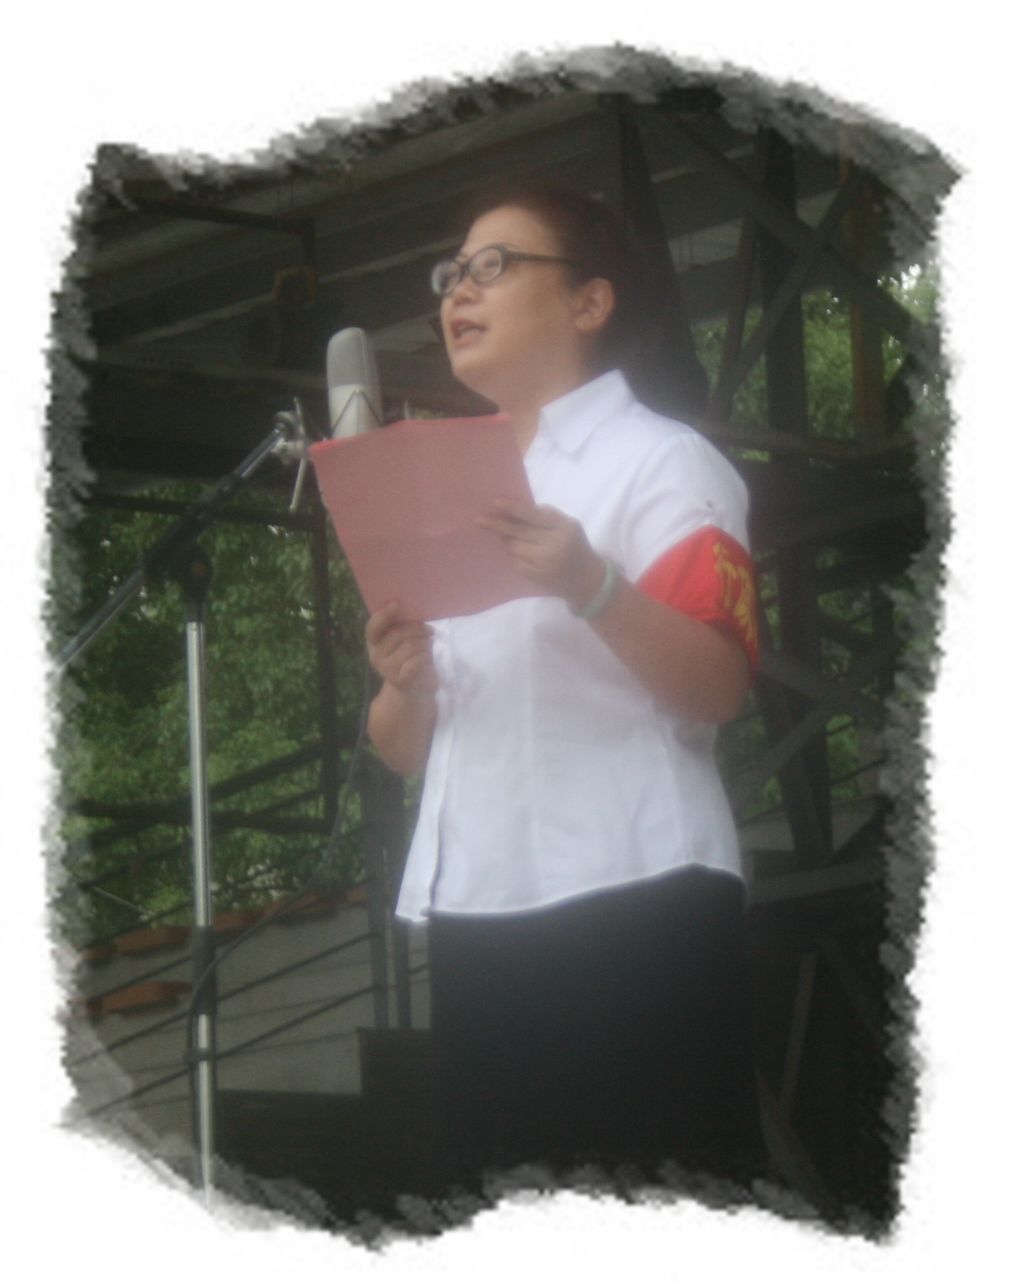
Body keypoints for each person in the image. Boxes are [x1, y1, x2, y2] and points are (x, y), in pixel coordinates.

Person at [364, 187, 764, 1194]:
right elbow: (403, 748)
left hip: (633, 890)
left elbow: (718, 683)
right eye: (451, 273)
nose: (459, 291)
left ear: (589, 302)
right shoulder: (449, 492)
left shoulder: (663, 460)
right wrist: (405, 683)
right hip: (481, 903)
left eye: (493, 266)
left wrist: (591, 584)